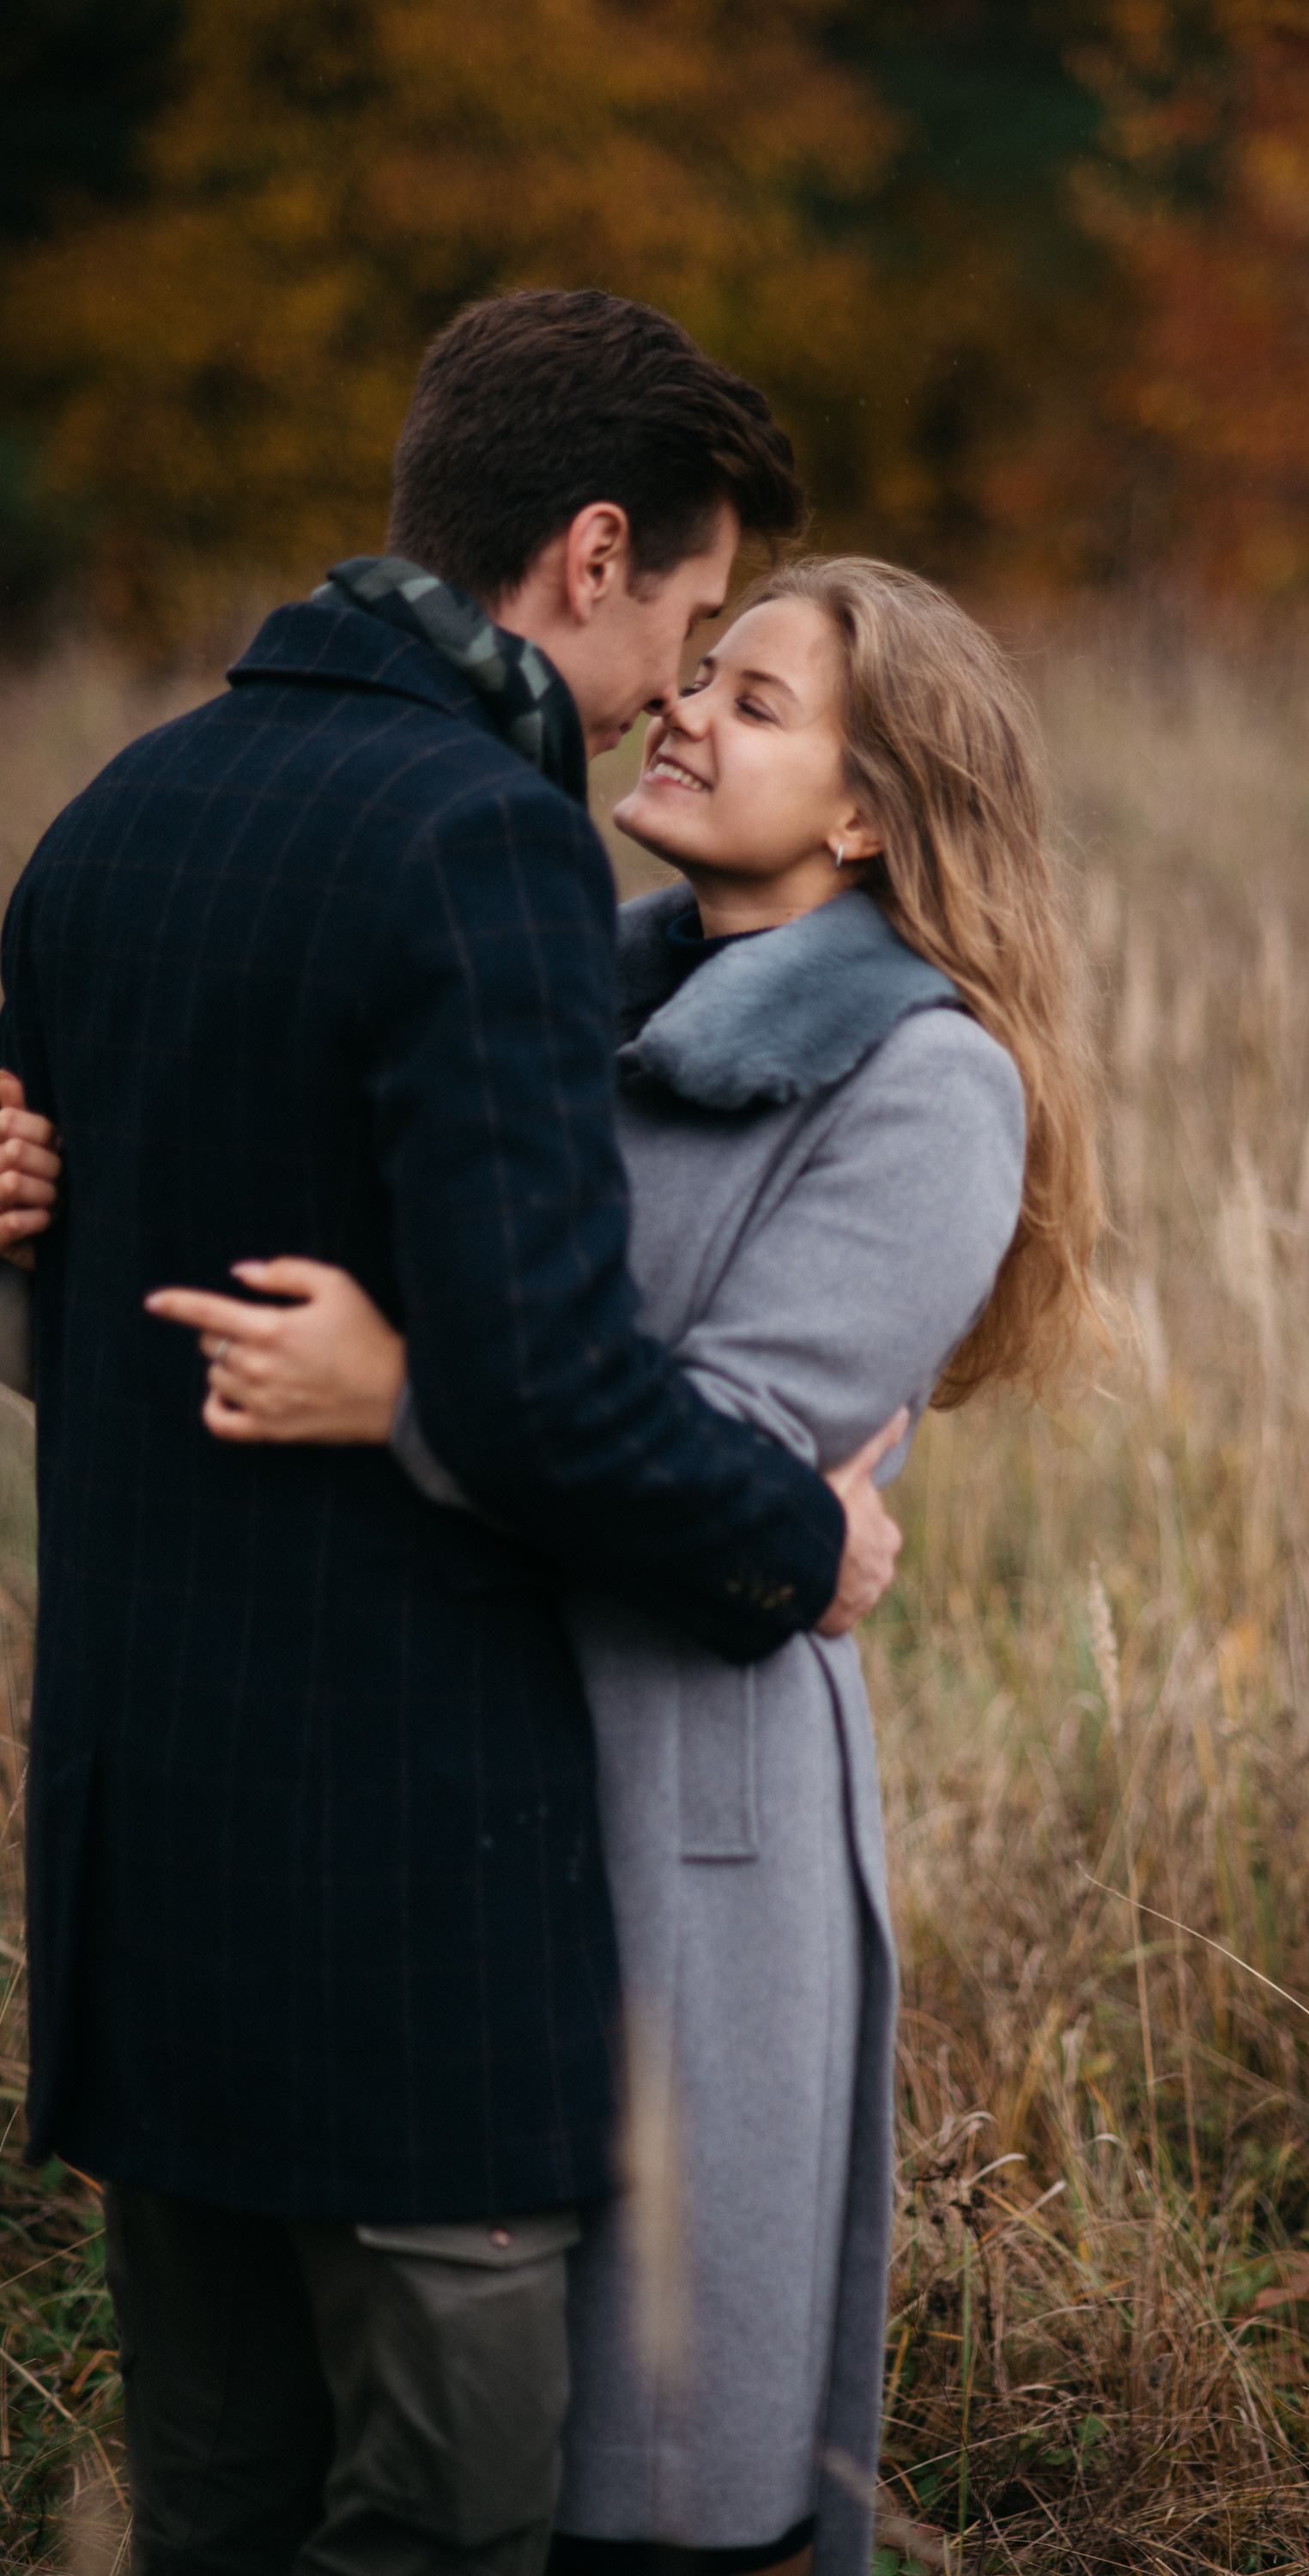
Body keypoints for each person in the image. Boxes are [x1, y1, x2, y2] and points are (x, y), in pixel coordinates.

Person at [0, 293, 909, 2576]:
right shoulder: (479, 847)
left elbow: (80, 1314)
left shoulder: (119, 813)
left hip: (151, 1928)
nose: (668, 697)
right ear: (591, 554)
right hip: (397, 1952)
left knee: (211, 2522)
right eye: (688, 622)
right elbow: (543, 1394)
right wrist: (797, 1544)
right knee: (441, 2530)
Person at [135, 558, 1106, 2576]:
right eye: (698, 678)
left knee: (656, 2452)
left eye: (755, 703)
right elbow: (303, 1291)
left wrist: (401, 1392)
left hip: (683, 1789)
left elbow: (727, 1470)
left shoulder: (926, 1087)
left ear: (866, 813)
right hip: (441, 1750)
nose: (680, 709)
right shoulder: (546, 993)